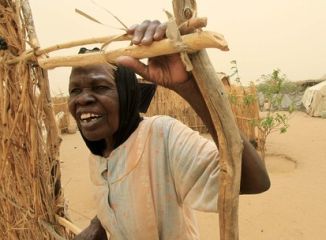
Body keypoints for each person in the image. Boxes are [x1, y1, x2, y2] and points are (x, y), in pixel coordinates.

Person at [68, 20, 270, 240]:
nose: (82, 99)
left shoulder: (162, 136)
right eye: (75, 90)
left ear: (126, 93)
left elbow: (253, 180)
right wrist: (98, 222)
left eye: (100, 87)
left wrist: (186, 86)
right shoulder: (100, 154)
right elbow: (118, 191)